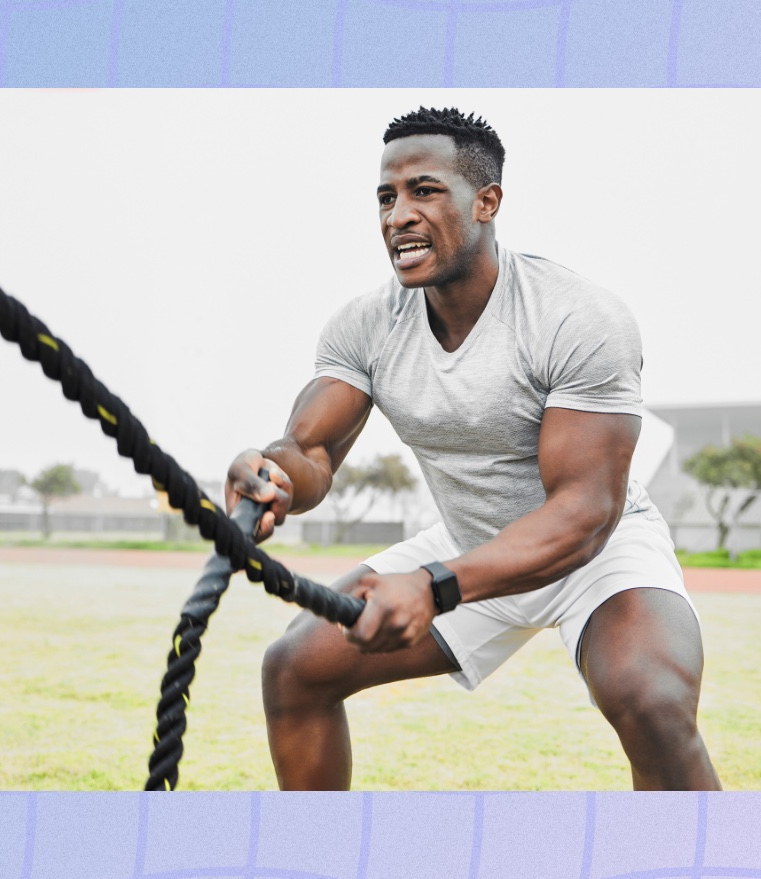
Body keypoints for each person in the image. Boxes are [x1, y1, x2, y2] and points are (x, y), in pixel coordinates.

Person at [224, 107, 720, 792]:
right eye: (385, 196)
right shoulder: (365, 326)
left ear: (487, 201)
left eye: (424, 190)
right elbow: (311, 451)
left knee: (652, 702)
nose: (397, 215)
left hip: (596, 551)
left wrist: (434, 585)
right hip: (466, 544)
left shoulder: (578, 318)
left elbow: (584, 511)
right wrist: (273, 474)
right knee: (295, 669)